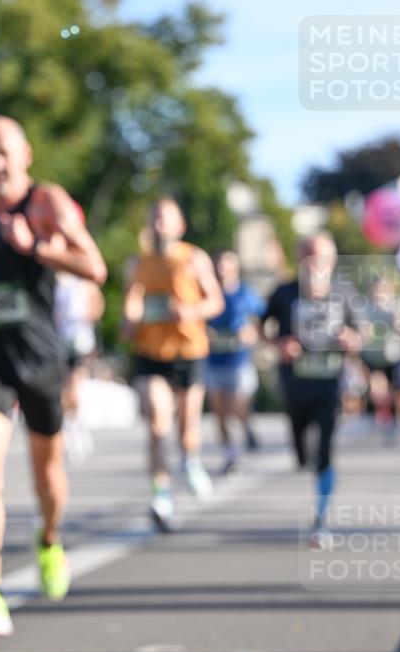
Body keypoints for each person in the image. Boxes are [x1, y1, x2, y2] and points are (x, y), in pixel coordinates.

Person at [0, 116, 106, 636]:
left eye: (3, 152)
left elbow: (94, 267)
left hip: (40, 357)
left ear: (26, 154)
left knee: (47, 475)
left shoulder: (46, 202)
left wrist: (35, 246)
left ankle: (49, 539)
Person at [123, 197, 224, 530]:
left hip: (188, 350)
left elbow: (215, 302)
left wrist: (191, 311)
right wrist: (129, 320)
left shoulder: (194, 258)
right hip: (151, 352)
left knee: (186, 429)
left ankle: (191, 460)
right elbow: (132, 302)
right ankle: (160, 494)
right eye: (154, 218)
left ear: (180, 225)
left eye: (165, 218)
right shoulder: (139, 262)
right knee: (157, 424)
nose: (159, 224)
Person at [262, 233, 362, 548]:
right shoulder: (284, 292)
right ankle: (308, 460)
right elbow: (259, 327)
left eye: (319, 255)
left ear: (331, 260)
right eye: (307, 254)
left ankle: (321, 518)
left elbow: (362, 334)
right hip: (295, 384)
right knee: (303, 454)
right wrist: (279, 344)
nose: (313, 261)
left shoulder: (343, 292)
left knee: (325, 450)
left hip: (330, 383)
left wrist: (350, 339)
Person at [205, 249, 265, 473]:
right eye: (219, 264)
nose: (223, 269)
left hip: (239, 361)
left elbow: (263, 323)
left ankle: (246, 424)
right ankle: (231, 456)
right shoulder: (206, 292)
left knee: (236, 405)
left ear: (236, 267)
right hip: (213, 361)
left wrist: (250, 333)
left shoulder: (246, 294)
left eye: (227, 264)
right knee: (220, 413)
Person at [53, 208, 105, 463]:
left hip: (79, 337)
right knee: (62, 388)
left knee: (74, 387)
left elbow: (97, 303)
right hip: (55, 337)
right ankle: (69, 426)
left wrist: (86, 316)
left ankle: (76, 426)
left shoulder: (83, 267)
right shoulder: (53, 266)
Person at [361, 275, 400, 439]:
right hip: (371, 356)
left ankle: (393, 421)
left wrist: (397, 323)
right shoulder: (365, 307)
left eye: (383, 288)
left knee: (396, 388)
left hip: (392, 355)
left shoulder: (398, 305)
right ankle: (370, 418)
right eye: (376, 289)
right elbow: (361, 329)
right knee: (372, 388)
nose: (379, 292)